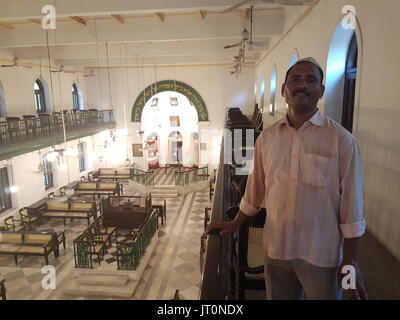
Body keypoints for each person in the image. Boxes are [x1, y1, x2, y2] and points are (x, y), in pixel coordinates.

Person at [205, 57, 367, 300]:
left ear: (321, 91)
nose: (302, 85)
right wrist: (235, 223)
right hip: (277, 249)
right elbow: (254, 191)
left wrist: (351, 261)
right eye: (295, 79)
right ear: (284, 89)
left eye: (310, 80)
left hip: (321, 254)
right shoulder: (267, 139)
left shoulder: (341, 141)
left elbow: (352, 208)